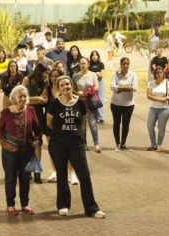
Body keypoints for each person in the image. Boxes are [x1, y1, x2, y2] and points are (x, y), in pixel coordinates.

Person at [47, 75, 105, 219]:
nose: (65, 87)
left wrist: (76, 134)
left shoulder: (80, 103)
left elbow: (83, 121)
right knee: (61, 175)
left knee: (84, 175)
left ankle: (91, 208)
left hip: (76, 144)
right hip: (58, 143)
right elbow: (49, 122)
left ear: (71, 85)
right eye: (62, 85)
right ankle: (63, 205)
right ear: (59, 88)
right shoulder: (55, 103)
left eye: (67, 84)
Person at [0, 85, 42, 216]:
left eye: (24, 96)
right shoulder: (6, 113)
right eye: (20, 96)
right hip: (9, 151)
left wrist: (37, 140)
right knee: (10, 178)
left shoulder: (31, 110)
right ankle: (10, 205)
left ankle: (25, 204)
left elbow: (38, 129)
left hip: (27, 151)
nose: (23, 98)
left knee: (25, 178)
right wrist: (3, 143)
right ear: (14, 98)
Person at [45, 69, 79, 185]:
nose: (54, 78)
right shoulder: (47, 89)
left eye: (56, 76)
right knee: (52, 149)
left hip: (66, 123)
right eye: (52, 76)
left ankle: (72, 174)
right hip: (52, 123)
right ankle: (55, 171)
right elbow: (43, 101)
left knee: (68, 151)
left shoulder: (64, 90)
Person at [22, 63, 49, 183]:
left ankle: (37, 171)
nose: (46, 75)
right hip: (26, 113)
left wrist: (32, 100)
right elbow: (21, 98)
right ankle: (27, 171)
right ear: (39, 72)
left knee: (38, 143)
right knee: (28, 143)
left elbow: (44, 100)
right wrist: (37, 99)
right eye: (45, 72)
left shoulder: (44, 83)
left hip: (38, 114)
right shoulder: (27, 79)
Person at [73, 58, 101, 153]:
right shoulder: (76, 76)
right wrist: (78, 93)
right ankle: (84, 143)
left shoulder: (93, 75)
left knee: (93, 124)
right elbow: (73, 90)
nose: (82, 65)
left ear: (88, 64)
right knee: (82, 125)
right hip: (80, 103)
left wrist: (85, 92)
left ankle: (96, 144)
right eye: (80, 64)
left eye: (84, 63)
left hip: (91, 102)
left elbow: (96, 87)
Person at [110, 57, 138, 151]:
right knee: (116, 124)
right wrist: (126, 88)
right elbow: (112, 87)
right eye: (124, 64)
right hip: (116, 104)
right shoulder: (115, 74)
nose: (125, 65)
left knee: (126, 125)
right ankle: (117, 143)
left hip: (128, 104)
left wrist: (120, 88)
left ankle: (123, 144)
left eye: (127, 64)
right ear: (120, 64)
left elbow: (134, 87)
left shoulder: (133, 74)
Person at [146, 66, 169, 152]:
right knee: (149, 126)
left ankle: (159, 145)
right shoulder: (151, 83)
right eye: (157, 73)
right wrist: (160, 99)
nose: (159, 74)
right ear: (154, 74)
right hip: (153, 108)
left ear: (163, 73)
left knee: (161, 128)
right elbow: (148, 96)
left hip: (164, 109)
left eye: (160, 72)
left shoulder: (167, 83)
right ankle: (153, 145)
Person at [89, 50, 105, 124]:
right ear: (91, 57)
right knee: (94, 100)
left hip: (100, 82)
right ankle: (96, 117)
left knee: (100, 100)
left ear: (98, 56)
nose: (94, 56)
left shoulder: (101, 64)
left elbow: (101, 75)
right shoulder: (89, 65)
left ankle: (101, 118)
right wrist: (96, 73)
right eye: (93, 55)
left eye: (96, 54)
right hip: (92, 83)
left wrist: (94, 73)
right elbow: (89, 75)